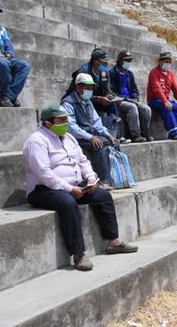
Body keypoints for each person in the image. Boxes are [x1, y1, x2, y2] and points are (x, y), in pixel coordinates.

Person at [23, 105, 138, 271]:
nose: (65, 123)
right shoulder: (36, 141)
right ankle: (78, 254)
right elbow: (43, 173)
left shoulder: (68, 137)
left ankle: (113, 242)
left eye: (66, 120)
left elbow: (83, 161)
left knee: (103, 196)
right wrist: (70, 189)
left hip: (74, 186)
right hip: (42, 190)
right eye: (61, 120)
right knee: (68, 203)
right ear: (48, 123)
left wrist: (91, 179)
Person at [65, 47, 131, 144]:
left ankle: (115, 134)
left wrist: (112, 98)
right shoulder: (83, 72)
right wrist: (97, 99)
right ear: (96, 62)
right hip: (82, 100)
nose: (106, 64)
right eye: (104, 62)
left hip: (97, 99)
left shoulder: (104, 72)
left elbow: (107, 90)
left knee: (113, 105)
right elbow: (79, 93)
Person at [61, 73, 119, 182]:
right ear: (78, 87)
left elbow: (97, 122)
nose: (89, 90)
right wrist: (90, 137)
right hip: (76, 137)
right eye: (87, 87)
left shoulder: (88, 102)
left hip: (89, 135)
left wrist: (107, 134)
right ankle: (101, 180)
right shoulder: (68, 103)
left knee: (114, 141)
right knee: (99, 145)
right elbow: (71, 127)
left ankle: (116, 177)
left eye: (91, 88)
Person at [109, 50, 153, 142]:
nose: (128, 63)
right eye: (126, 60)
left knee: (146, 109)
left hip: (131, 99)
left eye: (129, 61)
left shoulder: (129, 74)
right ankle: (136, 135)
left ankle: (146, 133)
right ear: (120, 60)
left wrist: (135, 98)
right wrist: (126, 99)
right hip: (119, 100)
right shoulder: (112, 73)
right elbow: (112, 91)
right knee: (132, 107)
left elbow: (134, 89)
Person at [147, 51, 177, 140]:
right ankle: (174, 133)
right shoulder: (154, 72)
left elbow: (175, 89)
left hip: (165, 100)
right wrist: (165, 101)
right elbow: (156, 88)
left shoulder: (170, 74)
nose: (168, 64)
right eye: (166, 62)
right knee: (167, 107)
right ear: (160, 62)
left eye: (169, 62)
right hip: (155, 101)